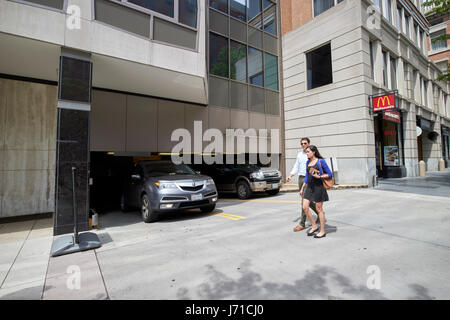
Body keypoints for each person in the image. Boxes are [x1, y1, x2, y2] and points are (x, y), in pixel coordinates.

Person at [286, 138, 319, 232]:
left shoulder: (311, 153)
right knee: (307, 200)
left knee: (304, 202)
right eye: (302, 144)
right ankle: (320, 213)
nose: (303, 145)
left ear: (309, 144)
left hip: (309, 179)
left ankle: (302, 223)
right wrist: (291, 175)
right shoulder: (300, 154)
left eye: (305, 143)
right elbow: (296, 165)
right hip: (301, 179)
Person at [300, 145, 333, 239]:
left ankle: (322, 231)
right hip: (309, 187)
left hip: (318, 187)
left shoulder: (320, 161)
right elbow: (307, 176)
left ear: (313, 152)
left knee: (319, 209)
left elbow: (330, 174)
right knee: (305, 207)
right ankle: (314, 226)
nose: (307, 153)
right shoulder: (308, 162)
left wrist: (320, 176)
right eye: (306, 152)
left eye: (308, 152)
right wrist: (302, 188)